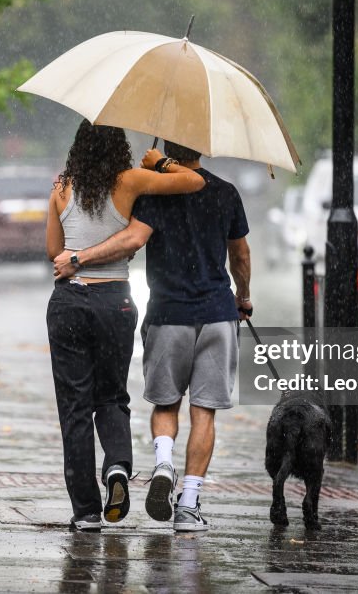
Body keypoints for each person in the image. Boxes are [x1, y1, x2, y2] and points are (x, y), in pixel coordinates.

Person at [53, 140, 252, 532]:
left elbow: (132, 238)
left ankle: (163, 463)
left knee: (165, 404)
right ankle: (189, 504)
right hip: (216, 313)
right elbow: (240, 256)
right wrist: (242, 297)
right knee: (204, 412)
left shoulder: (153, 191)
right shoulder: (226, 192)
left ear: (167, 148)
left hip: (168, 314)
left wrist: (80, 257)